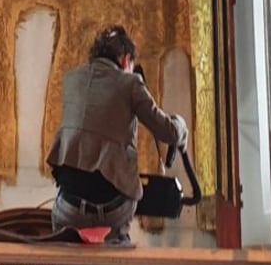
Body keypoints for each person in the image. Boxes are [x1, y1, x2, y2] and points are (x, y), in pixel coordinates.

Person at [46, 24, 188, 245]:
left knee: (64, 264)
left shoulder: (72, 79)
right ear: (125, 60)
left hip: (70, 205)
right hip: (111, 208)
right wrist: (180, 124)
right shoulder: (130, 83)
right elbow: (167, 132)